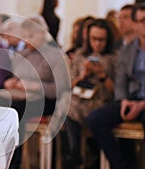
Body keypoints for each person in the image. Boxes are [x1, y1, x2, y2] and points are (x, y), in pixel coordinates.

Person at [0, 15, 59, 169]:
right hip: (23, 99)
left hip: (47, 100)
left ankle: (13, 163)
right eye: (24, 36)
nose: (26, 40)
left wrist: (33, 86)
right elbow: (15, 79)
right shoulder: (22, 55)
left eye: (30, 36)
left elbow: (58, 90)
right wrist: (10, 83)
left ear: (42, 34)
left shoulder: (55, 56)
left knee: (16, 111)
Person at [87, 4, 145, 169]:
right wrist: (124, 100)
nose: (143, 25)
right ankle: (121, 165)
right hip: (131, 99)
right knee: (95, 119)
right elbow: (121, 80)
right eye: (140, 21)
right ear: (135, 23)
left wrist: (142, 104)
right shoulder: (128, 49)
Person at [65, 19, 117, 169]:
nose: (97, 43)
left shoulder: (114, 58)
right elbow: (68, 85)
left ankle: (88, 154)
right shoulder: (80, 54)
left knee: (83, 110)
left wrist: (101, 74)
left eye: (101, 40)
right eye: (94, 39)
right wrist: (83, 75)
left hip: (101, 100)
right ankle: (75, 153)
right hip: (80, 96)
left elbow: (116, 91)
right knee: (68, 106)